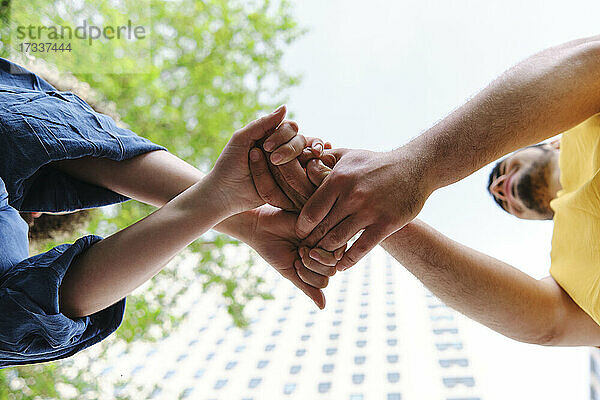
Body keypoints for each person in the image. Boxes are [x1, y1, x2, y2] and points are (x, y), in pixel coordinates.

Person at [250, 34, 600, 347]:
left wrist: (412, 169)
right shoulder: (569, 271)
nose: (497, 186)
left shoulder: (584, 118)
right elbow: (548, 325)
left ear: (552, 140)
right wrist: (366, 214)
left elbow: (590, 62)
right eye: (504, 202)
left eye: (504, 168)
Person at [0, 58, 340, 368]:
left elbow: (20, 314)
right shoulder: (18, 95)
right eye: (54, 190)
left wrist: (235, 212)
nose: (31, 210)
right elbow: (40, 127)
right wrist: (234, 212)